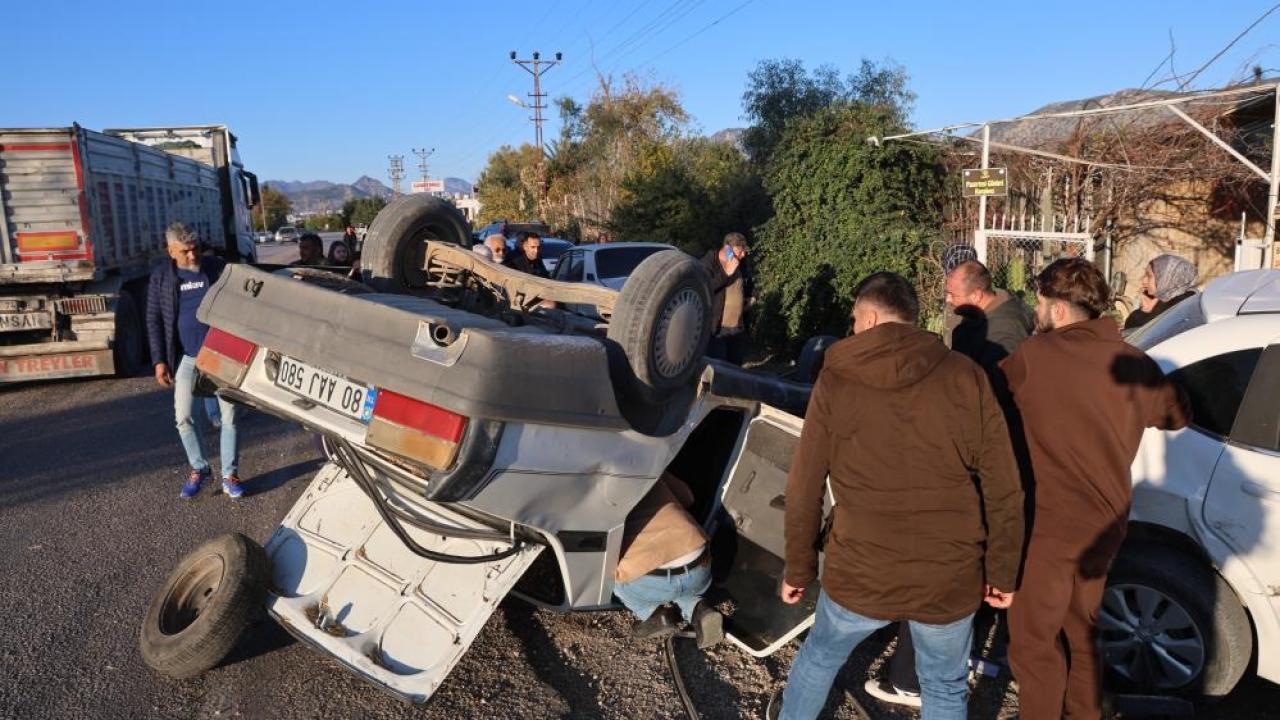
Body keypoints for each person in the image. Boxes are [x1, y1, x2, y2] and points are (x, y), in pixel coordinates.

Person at [770, 272, 1025, 720]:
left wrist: (798, 567)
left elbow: (804, 485)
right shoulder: (966, 376)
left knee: (820, 657)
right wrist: (1002, 570)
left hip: (861, 569)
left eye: (853, 318)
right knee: (944, 685)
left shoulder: (837, 380)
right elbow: (1004, 485)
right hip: (948, 572)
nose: (852, 327)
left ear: (868, 317)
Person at [1002, 258, 1189, 720]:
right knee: (1081, 628)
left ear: (1060, 311)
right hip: (1107, 523)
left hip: (1048, 524)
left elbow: (983, 401)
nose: (1037, 313)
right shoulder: (1136, 364)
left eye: (1041, 304)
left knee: (1032, 642)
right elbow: (1176, 415)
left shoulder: (1034, 357)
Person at [866, 258, 1035, 710]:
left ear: (976, 294)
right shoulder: (1003, 313)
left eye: (951, 292)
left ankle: (912, 674)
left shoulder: (998, 337)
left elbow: (983, 400)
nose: (945, 298)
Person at [145, 222, 243, 500]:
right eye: (185, 251)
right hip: (188, 359)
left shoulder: (217, 268)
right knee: (184, 418)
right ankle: (200, 468)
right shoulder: (163, 277)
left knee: (230, 417)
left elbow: (240, 303)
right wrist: (159, 361)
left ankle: (230, 475)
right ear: (171, 251)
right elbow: (153, 319)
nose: (192, 256)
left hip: (221, 357)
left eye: (195, 249)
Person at [612, 471, 724, 649]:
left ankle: (654, 615)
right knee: (685, 591)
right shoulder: (649, 466)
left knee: (610, 577)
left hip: (653, 578)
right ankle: (699, 610)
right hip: (699, 562)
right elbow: (688, 497)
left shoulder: (596, 489)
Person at [701, 232, 750, 364]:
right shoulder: (710, 263)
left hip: (737, 329)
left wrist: (751, 297)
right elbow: (704, 287)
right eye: (740, 251)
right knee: (718, 369)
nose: (743, 255)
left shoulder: (741, 264)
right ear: (728, 248)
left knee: (736, 368)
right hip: (718, 330)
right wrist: (726, 273)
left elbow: (747, 282)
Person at [1123, 253, 1198, 330]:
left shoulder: (1180, 307)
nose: (1143, 281)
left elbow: (1145, 335)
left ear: (1167, 278)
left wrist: (1145, 312)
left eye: (1149, 276)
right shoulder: (1168, 301)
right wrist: (1147, 309)